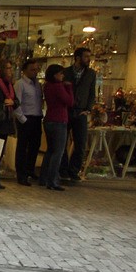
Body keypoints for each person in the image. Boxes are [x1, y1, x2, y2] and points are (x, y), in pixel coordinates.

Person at [60, 47, 96, 181]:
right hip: (66, 110)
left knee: (80, 143)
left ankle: (74, 170)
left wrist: (88, 108)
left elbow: (92, 93)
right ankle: (63, 170)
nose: (88, 59)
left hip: (81, 111)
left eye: (89, 56)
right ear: (77, 58)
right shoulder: (66, 72)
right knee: (63, 142)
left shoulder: (91, 74)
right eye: (86, 56)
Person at [39, 64, 74, 191]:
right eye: (61, 74)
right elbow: (69, 101)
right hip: (59, 121)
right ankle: (52, 180)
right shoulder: (59, 87)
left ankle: (43, 178)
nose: (63, 76)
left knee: (50, 151)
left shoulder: (47, 86)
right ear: (55, 75)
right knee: (58, 152)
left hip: (49, 119)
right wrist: (69, 88)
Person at [13, 59, 43, 186]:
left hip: (36, 118)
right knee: (22, 147)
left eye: (37, 69)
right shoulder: (20, 84)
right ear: (25, 71)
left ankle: (30, 170)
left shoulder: (37, 85)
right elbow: (16, 103)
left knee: (34, 146)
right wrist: (23, 119)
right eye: (32, 69)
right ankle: (21, 174)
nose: (35, 72)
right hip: (26, 118)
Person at [0, 60, 15, 191]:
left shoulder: (9, 85)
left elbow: (15, 101)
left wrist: (12, 102)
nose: (10, 71)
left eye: (11, 68)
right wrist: (5, 103)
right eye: (7, 68)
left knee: (0, 152)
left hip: (5, 122)